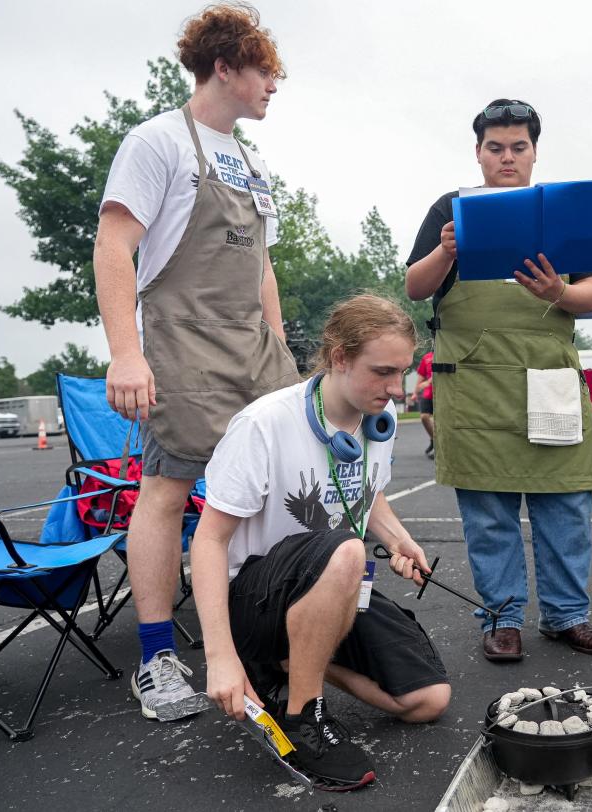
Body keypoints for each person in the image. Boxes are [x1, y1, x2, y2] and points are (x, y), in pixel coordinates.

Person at [93, 1, 300, 720]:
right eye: (266, 70)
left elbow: (262, 262)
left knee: (275, 488)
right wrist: (126, 353)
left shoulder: (250, 160)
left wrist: (279, 348)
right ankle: (155, 658)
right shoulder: (158, 143)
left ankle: (263, 632)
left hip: (254, 348)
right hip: (180, 341)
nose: (276, 84)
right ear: (225, 66)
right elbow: (113, 245)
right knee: (168, 488)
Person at [192, 294, 450, 790]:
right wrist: (219, 656)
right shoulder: (263, 424)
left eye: (402, 373)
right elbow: (208, 540)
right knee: (346, 549)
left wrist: (399, 539)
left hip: (333, 582)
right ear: (338, 356)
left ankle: (291, 661)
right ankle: (301, 716)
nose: (396, 389)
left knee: (428, 700)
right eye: (382, 372)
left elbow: (368, 494)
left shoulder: (379, 421)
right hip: (254, 602)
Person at [405, 99, 592, 663]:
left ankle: (568, 616)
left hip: (547, 376)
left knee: (565, 507)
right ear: (478, 152)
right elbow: (414, 287)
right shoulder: (450, 208)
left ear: (533, 152)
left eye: (518, 147)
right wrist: (445, 253)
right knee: (489, 514)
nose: (506, 157)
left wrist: (558, 293)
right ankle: (501, 619)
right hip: (473, 385)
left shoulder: (565, 209)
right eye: (495, 147)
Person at [415, 350, 435, 458]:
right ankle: (434, 439)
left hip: (441, 394)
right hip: (428, 394)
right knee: (424, 417)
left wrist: (429, 382)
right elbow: (421, 378)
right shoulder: (427, 357)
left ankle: (438, 448)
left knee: (438, 421)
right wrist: (415, 393)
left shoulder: (446, 353)